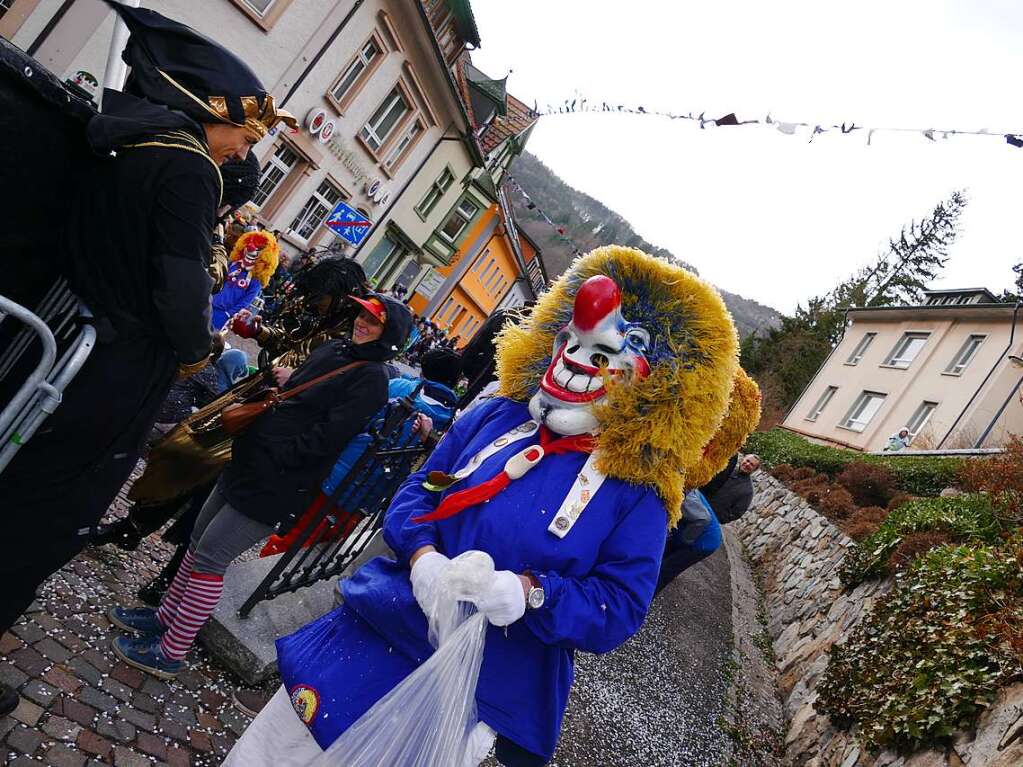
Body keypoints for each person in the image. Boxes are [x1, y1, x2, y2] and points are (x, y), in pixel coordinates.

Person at [224, 245, 740, 767]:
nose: (578, 361)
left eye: (603, 355)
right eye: (572, 342)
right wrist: (422, 557)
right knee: (272, 752)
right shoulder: (496, 417)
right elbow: (417, 492)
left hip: (475, 684)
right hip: (380, 623)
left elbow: (620, 606)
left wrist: (526, 594)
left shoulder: (640, 493)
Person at [0, 1, 295, 710]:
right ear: (204, 110)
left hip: (67, 333)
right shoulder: (188, 169)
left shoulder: (129, 144)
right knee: (47, 513)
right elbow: (179, 283)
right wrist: (201, 349)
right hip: (113, 368)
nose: (245, 150)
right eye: (243, 132)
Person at [108, 293, 412, 677]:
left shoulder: (371, 379)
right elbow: (303, 392)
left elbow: (325, 438)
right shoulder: (339, 349)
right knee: (198, 543)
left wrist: (276, 451)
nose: (361, 323)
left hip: (275, 482)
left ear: (390, 336)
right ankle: (166, 617)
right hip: (248, 461)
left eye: (373, 322)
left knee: (212, 559)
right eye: (362, 315)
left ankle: (171, 650)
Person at [210, 230, 279, 330]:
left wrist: (228, 314)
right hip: (208, 302)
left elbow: (246, 301)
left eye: (258, 248)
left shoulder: (256, 279)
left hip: (221, 314)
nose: (251, 248)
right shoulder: (233, 263)